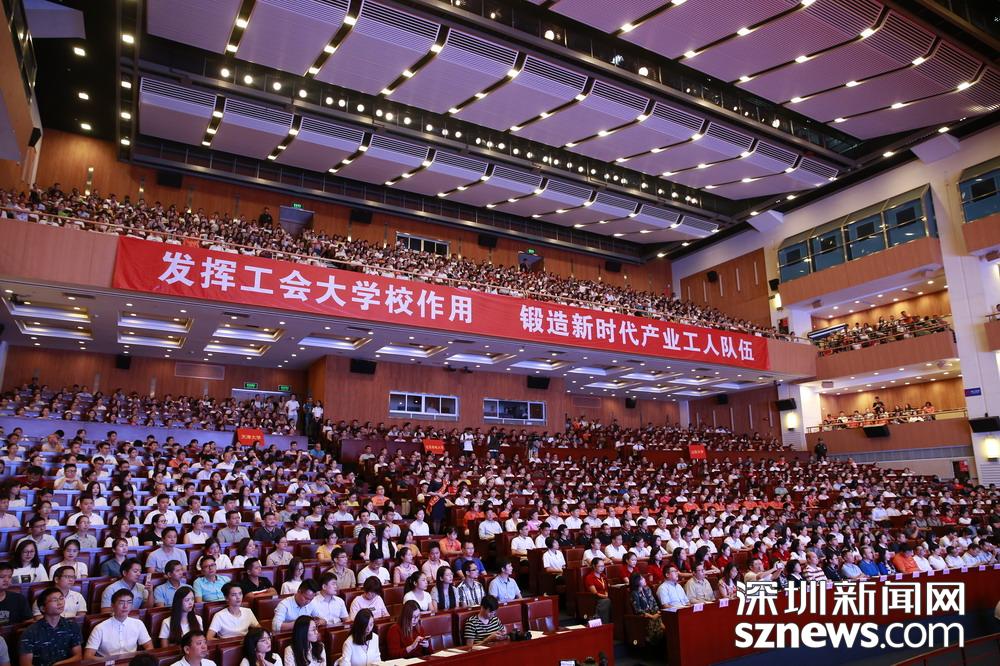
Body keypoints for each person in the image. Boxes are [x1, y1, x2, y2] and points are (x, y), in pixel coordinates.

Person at [18, 588, 82, 666]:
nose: (60, 603)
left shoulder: (72, 626)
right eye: (54, 600)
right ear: (43, 608)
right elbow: (25, 664)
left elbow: (78, 657)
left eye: (61, 598)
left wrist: (58, 665)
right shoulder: (30, 632)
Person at [83, 589, 154, 658]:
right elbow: (88, 656)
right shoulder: (100, 628)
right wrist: (108, 661)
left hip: (131, 662)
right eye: (121, 602)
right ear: (112, 605)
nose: (125, 606)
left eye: (129, 602)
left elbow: (149, 647)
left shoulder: (138, 624)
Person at [629, 573, 663, 644]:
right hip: (646, 617)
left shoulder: (647, 589)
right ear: (636, 581)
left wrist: (657, 612)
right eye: (641, 579)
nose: (644, 579)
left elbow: (654, 603)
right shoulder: (634, 593)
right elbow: (638, 610)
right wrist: (652, 616)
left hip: (655, 613)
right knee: (660, 628)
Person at [584, 557, 611, 624]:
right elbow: (595, 593)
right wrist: (605, 596)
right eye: (600, 566)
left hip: (606, 596)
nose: (602, 568)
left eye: (603, 566)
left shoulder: (603, 576)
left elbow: (608, 587)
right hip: (597, 598)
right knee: (606, 601)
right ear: (594, 566)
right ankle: (604, 623)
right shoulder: (589, 577)